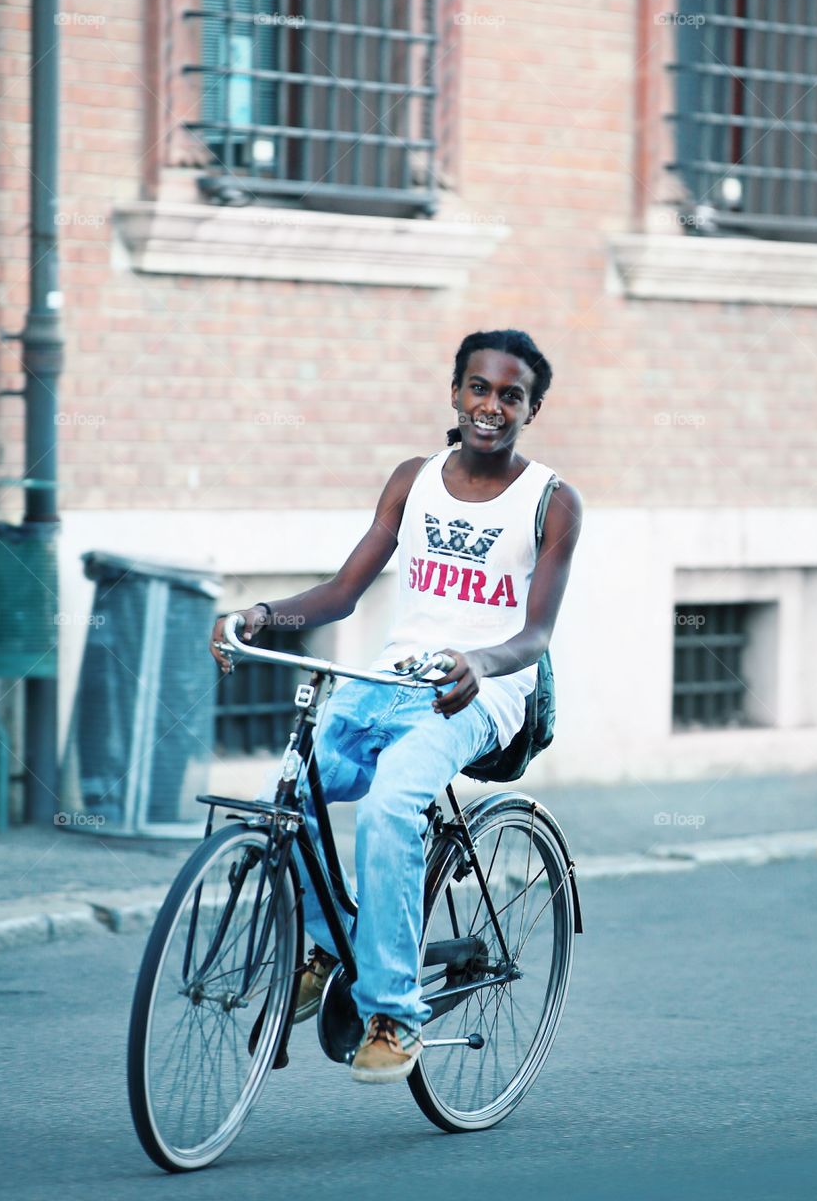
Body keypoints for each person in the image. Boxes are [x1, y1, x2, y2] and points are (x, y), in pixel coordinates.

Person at [209, 328, 583, 1084]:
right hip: (388, 680)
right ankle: (330, 943)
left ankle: (392, 1012)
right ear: (455, 394)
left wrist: (478, 661)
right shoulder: (412, 479)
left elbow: (535, 633)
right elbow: (343, 594)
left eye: (510, 396)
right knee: (279, 803)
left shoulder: (550, 501)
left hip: (477, 693)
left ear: (529, 410)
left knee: (388, 809)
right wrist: (260, 615)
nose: (491, 406)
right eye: (478, 388)